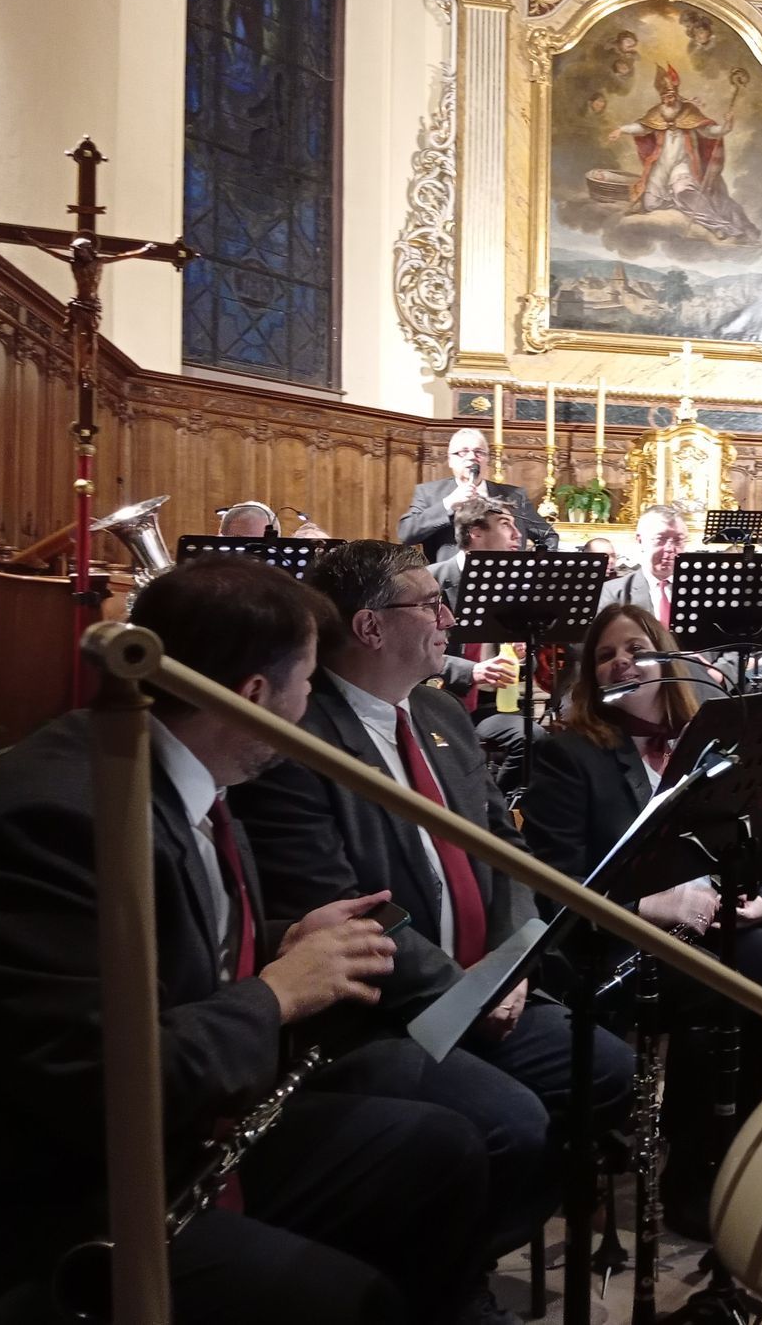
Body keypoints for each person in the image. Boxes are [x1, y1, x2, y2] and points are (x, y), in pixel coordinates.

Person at [0, 557, 495, 1324]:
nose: (311, 706)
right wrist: (277, 992)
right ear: (254, 695)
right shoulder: (63, 817)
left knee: (439, 1154)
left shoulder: (179, 767)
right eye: (308, 684)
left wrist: (284, 943)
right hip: (23, 1214)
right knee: (349, 1301)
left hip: (167, 1141)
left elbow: (168, 947)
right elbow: (96, 1084)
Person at [228, 540, 634, 1266]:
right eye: (430, 603)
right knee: (511, 1123)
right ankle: (446, 1276)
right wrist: (464, 995)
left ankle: (470, 1237)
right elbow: (340, 905)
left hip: (485, 983)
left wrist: (512, 963)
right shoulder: (300, 737)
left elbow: (503, 849)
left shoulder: (440, 711)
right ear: (370, 627)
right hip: (384, 1012)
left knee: (606, 1070)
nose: (449, 618)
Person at [522, 603, 762, 1241]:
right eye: (606, 655)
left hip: (708, 926)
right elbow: (554, 883)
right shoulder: (570, 753)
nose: (622, 662)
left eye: (636, 648)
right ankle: (690, 1177)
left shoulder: (709, 739)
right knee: (718, 994)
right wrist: (651, 907)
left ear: (667, 656)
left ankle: (729, 1145)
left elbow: (754, 831)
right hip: (615, 943)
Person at [429, 499, 542, 794]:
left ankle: (496, 806)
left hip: (493, 706)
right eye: (506, 525)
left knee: (537, 740)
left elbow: (529, 667)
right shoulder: (431, 581)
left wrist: (521, 657)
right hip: (440, 702)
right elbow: (415, 654)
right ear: (475, 532)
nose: (518, 534)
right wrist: (472, 671)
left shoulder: (514, 587)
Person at [606, 63, 759, 243]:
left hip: (682, 165)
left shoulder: (689, 112)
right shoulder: (656, 113)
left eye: (671, 96)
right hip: (661, 165)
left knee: (685, 193)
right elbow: (641, 127)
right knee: (651, 203)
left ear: (676, 94)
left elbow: (710, 132)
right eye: (665, 97)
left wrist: (726, 126)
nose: (668, 100)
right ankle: (680, 206)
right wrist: (621, 130)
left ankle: (721, 227)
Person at [399, 428, 558, 559]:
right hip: (450, 584)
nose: (472, 457)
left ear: (486, 460)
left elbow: (548, 535)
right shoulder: (429, 493)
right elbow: (406, 533)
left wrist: (531, 567)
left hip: (506, 580)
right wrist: (449, 504)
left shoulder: (514, 495)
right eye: (463, 452)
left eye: (479, 452)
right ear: (450, 460)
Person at [598, 504, 686, 623]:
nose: (670, 548)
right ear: (640, 540)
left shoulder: (698, 590)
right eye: (660, 539)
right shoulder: (614, 592)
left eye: (678, 540)